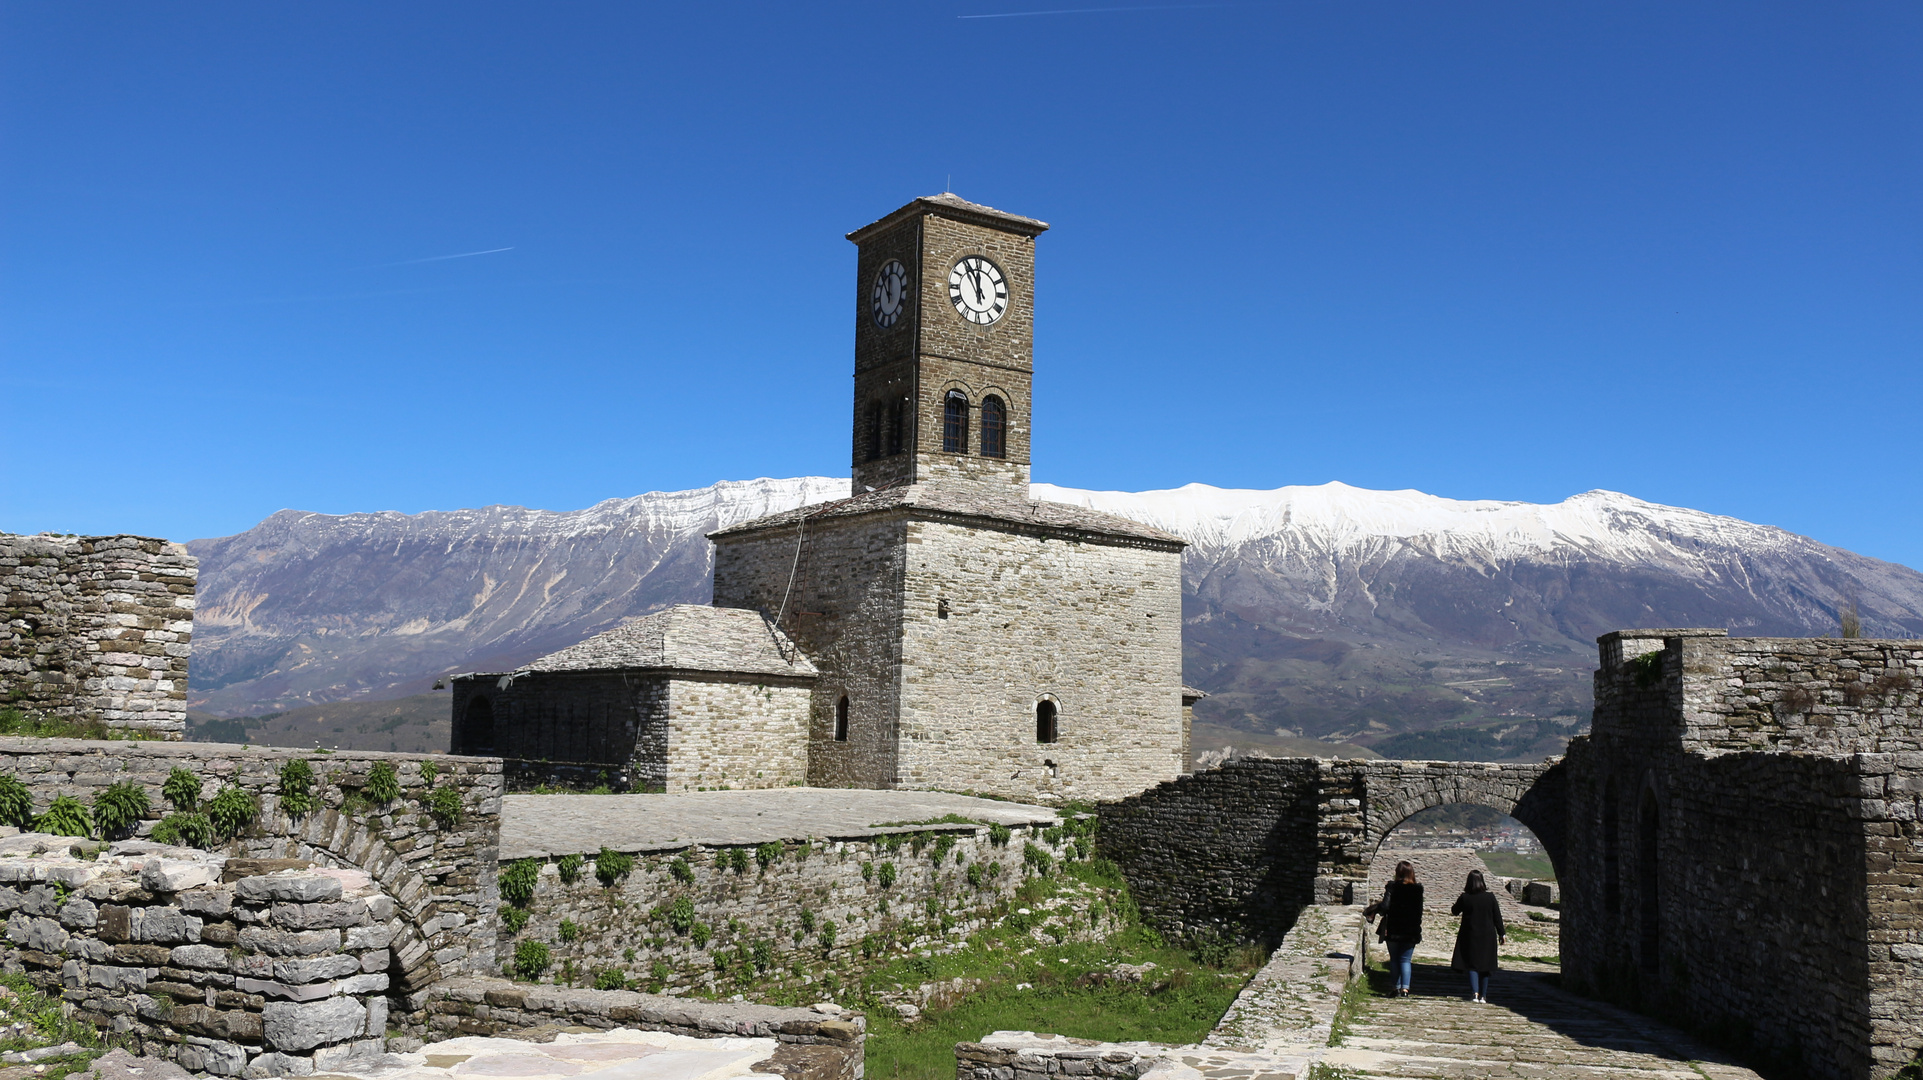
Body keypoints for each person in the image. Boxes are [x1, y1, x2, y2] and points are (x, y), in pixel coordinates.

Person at [1450, 869, 1506, 1003]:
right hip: (1488, 935)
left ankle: (1474, 993)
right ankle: (1483, 996)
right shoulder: (1490, 897)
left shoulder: (1465, 897)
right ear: (1482, 881)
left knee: (1472, 964)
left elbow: (1454, 911)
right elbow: (1497, 917)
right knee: (1485, 966)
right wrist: (1502, 933)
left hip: (1470, 934)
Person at [1371, 860, 1424, 997]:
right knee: (1406, 960)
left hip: (1394, 928)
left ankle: (1395, 988)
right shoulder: (1418, 889)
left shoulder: (1392, 886)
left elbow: (1385, 906)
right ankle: (1405, 989)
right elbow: (1419, 911)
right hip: (1411, 930)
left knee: (1394, 959)